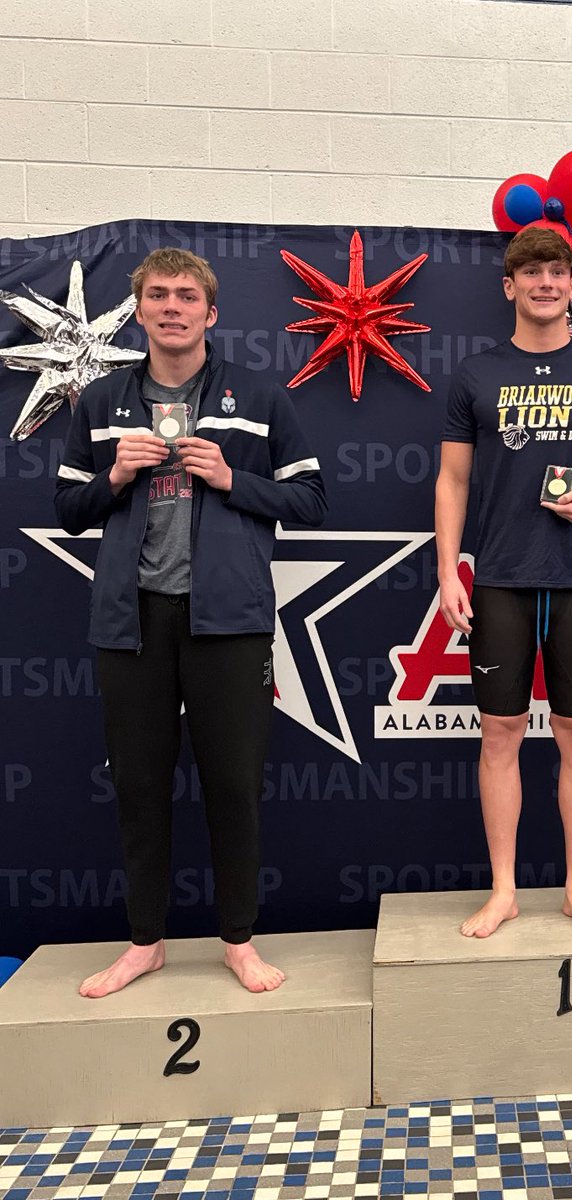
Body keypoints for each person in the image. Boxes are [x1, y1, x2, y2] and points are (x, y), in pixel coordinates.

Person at [56, 248, 327, 998]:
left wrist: (232, 479)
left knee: (233, 787)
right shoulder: (101, 402)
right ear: (139, 311)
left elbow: (311, 501)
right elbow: (68, 509)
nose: (171, 307)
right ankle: (145, 943)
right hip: (132, 622)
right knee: (139, 788)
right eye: (157, 295)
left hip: (229, 623)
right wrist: (116, 476)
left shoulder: (260, 395)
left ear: (211, 313)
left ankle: (238, 940)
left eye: (185, 296)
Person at [436, 226, 572, 939]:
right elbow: (453, 479)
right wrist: (448, 569)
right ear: (510, 286)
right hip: (500, 577)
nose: (545, 283)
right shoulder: (476, 375)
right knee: (499, 733)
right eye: (530, 272)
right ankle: (503, 890)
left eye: (558, 272)